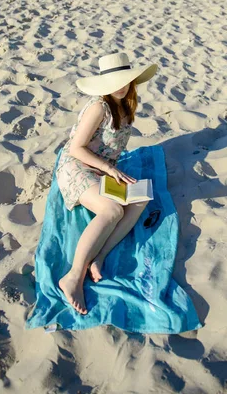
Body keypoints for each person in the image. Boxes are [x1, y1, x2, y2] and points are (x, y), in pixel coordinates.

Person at [56, 52, 157, 314]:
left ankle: (99, 257)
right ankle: (73, 276)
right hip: (76, 167)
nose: (121, 86)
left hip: (102, 170)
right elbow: (76, 148)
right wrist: (108, 168)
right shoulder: (98, 107)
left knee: (142, 197)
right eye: (115, 82)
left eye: (124, 80)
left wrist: (108, 169)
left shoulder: (126, 104)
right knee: (112, 210)